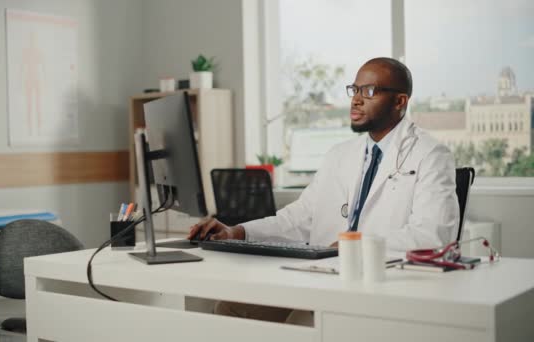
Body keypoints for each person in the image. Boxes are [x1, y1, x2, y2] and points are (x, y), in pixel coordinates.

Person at [187, 57, 459, 325]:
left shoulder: (431, 155)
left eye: (370, 91)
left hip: (377, 285)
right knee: (230, 308)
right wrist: (238, 232)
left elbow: (433, 235)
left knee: (299, 324)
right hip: (321, 277)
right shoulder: (339, 155)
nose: (356, 99)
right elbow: (299, 217)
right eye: (354, 89)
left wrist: (356, 245)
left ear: (400, 101)